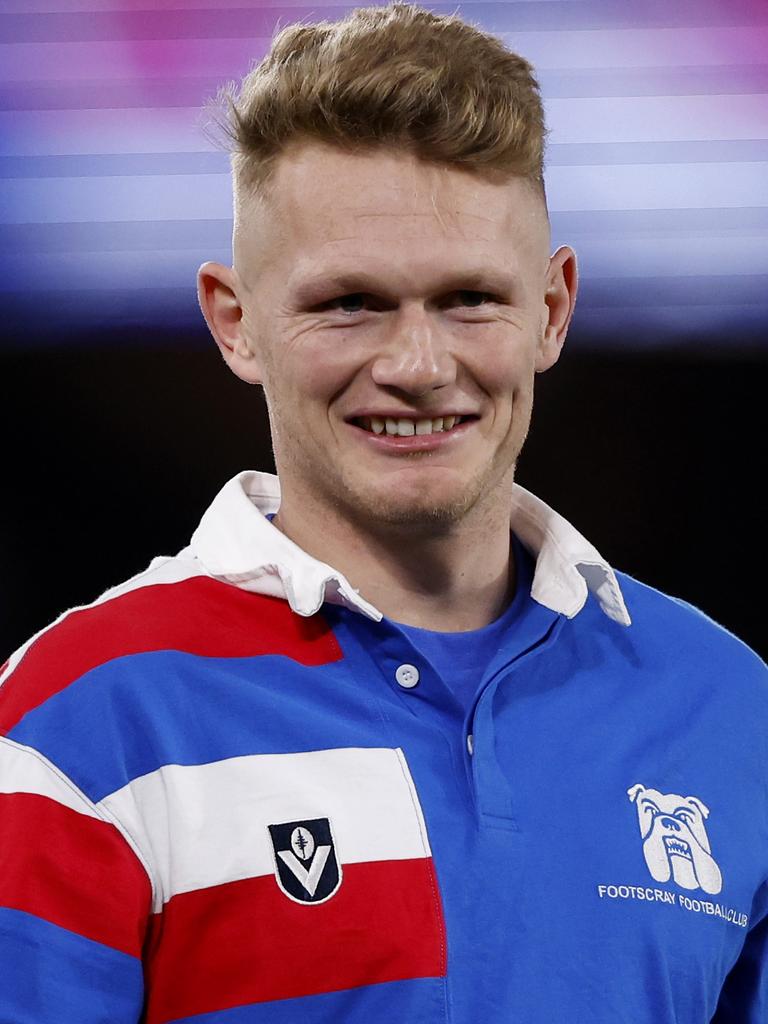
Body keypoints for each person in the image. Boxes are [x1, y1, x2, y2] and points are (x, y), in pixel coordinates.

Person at [0, 2, 765, 1021]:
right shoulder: (73, 721)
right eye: (349, 302)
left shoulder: (727, 705)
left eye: (468, 299)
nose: (416, 366)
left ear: (552, 309)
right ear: (235, 323)